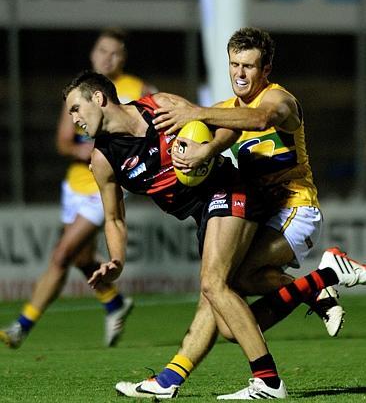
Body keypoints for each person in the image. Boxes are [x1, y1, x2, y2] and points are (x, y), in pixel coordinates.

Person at [62, 72, 366, 400]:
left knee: (212, 284)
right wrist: (117, 260)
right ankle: (326, 276)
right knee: (224, 317)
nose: (73, 119)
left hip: (229, 189)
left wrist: (206, 151)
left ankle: (268, 381)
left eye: (76, 108)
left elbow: (224, 125)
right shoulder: (103, 160)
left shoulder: (159, 108)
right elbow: (114, 218)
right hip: (204, 214)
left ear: (98, 98)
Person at [152, 26, 344, 336]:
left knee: (234, 277)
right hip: (263, 212)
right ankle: (317, 288)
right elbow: (181, 124)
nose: (240, 73)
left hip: (296, 208)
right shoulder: (223, 111)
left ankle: (322, 282)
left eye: (249, 66)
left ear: (265, 69)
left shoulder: (279, 99)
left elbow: (260, 119)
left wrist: (197, 114)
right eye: (234, 64)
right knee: (231, 292)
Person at [0, 28, 155, 349]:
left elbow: (151, 119)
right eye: (101, 51)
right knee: (81, 255)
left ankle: (22, 324)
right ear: (92, 54)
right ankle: (114, 303)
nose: (106, 57)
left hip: (103, 187)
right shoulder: (78, 94)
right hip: (74, 186)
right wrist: (81, 150)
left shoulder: (135, 88)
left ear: (122, 57)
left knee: (61, 255)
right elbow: (62, 141)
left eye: (114, 52)